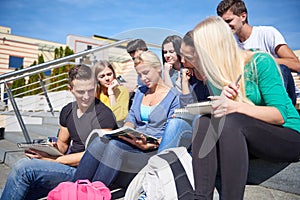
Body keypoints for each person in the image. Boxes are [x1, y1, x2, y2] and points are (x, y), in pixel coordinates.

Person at [191, 16, 300, 200]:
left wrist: (236, 106)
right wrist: (223, 102)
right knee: (204, 122)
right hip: (249, 136)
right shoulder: (218, 76)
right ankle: (201, 197)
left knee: (230, 122)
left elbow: (279, 115)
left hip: (287, 134)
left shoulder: (260, 62)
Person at [0, 64, 118, 200]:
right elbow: (62, 144)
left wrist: (54, 160)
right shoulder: (67, 110)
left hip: (84, 172)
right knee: (13, 188)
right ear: (71, 90)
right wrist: (47, 150)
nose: (86, 96)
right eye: (80, 91)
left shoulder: (104, 115)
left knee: (24, 168)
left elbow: (93, 156)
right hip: (65, 164)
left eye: (90, 90)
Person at [73, 51, 180, 188]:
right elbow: (131, 117)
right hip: (133, 141)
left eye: (146, 72)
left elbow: (173, 132)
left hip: (152, 148)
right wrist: (127, 129)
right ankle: (73, 188)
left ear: (158, 68)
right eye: (140, 74)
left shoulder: (174, 97)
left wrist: (153, 144)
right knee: (99, 141)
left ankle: (94, 193)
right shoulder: (141, 92)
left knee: (114, 146)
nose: (143, 78)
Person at [216, 0, 300, 105]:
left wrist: (259, 59)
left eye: (228, 21)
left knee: (281, 69)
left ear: (243, 16)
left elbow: (296, 65)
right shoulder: (231, 45)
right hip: (253, 96)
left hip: (280, 93)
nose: (225, 26)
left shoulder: (267, 33)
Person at [158, 31, 210, 152]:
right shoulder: (176, 73)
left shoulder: (191, 72)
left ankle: (195, 165)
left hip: (203, 118)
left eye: (171, 51)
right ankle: (159, 166)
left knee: (198, 119)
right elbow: (177, 100)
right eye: (165, 52)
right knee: (174, 122)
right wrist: (167, 73)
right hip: (185, 113)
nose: (167, 55)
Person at [94, 60, 129, 126]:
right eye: (102, 76)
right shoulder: (94, 92)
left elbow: (118, 117)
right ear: (97, 79)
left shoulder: (122, 91)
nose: (107, 78)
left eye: (109, 74)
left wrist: (111, 93)